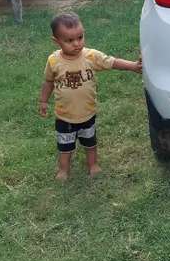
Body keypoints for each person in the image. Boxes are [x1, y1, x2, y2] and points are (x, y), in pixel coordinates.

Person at [38, 12, 142, 180]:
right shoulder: (53, 61)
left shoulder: (91, 56)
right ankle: (63, 169)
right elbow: (48, 82)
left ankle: (93, 164)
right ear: (56, 41)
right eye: (69, 40)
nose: (77, 44)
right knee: (65, 146)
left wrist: (133, 66)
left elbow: (111, 62)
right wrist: (43, 101)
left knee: (90, 143)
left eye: (80, 37)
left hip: (87, 113)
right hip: (64, 116)